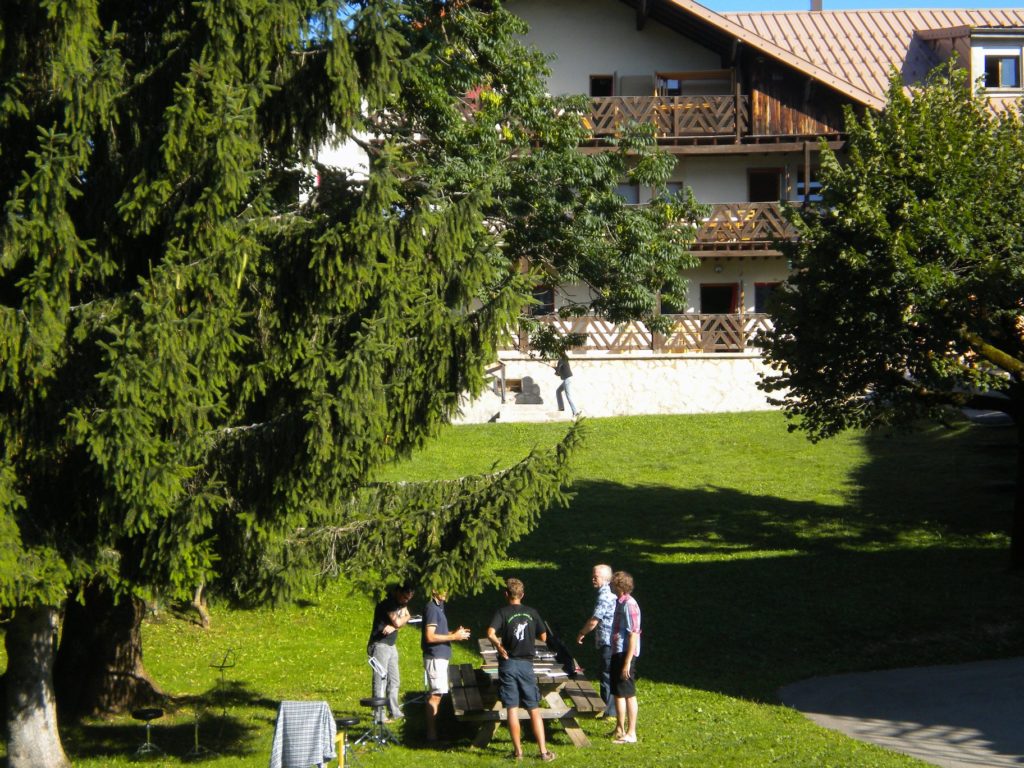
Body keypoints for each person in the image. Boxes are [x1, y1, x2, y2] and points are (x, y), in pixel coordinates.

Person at [487, 578, 557, 762]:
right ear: (522, 595)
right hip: (526, 665)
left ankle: (518, 752)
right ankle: (543, 751)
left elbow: (490, 632)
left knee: (512, 708)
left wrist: (498, 645)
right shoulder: (531, 612)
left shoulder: (502, 612)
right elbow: (543, 635)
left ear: (506, 595)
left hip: (508, 664)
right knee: (534, 708)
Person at [421, 589, 471, 743]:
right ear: (433, 590)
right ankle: (431, 736)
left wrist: (454, 633)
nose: (446, 592)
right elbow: (429, 636)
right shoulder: (431, 608)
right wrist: (453, 637)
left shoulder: (439, 606)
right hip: (435, 657)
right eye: (442, 589)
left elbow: (439, 632)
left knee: (439, 694)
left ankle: (435, 732)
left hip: (441, 657)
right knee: (435, 696)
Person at [366, 583, 415, 723]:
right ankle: (379, 715)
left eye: (409, 598)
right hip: (379, 645)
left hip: (391, 645)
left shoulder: (401, 603)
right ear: (398, 592)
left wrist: (394, 627)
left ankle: (395, 711)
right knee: (380, 680)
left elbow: (407, 616)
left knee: (394, 680)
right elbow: (399, 622)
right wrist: (397, 624)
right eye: (405, 597)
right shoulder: (388, 603)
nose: (406, 601)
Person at [575, 564, 616, 719]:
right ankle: (609, 709)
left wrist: (581, 633)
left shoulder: (604, 596)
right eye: (592, 575)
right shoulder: (608, 593)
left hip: (608, 642)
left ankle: (609, 712)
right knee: (606, 673)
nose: (592, 578)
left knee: (607, 675)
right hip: (608, 641)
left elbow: (594, 620)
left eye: (596, 576)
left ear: (605, 579)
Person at [609, 570, 641, 744]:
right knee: (618, 692)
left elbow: (633, 634)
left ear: (619, 586)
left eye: (613, 584)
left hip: (625, 653)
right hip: (617, 651)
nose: (611, 586)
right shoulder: (619, 602)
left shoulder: (630, 604)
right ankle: (620, 729)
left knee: (628, 693)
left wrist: (627, 662)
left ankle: (631, 732)